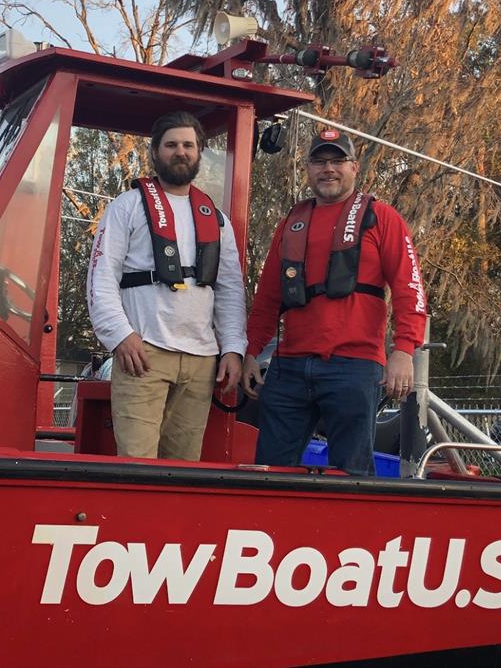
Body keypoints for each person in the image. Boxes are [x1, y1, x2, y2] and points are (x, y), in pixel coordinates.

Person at [242, 129, 427, 476]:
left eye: (337, 161)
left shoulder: (382, 217)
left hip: (354, 367)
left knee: (353, 473)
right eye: (319, 161)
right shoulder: (290, 224)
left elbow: (410, 289)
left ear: (354, 167)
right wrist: (251, 352)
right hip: (290, 368)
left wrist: (403, 350)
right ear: (308, 169)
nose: (328, 169)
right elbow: (267, 298)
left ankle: (354, 531)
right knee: (268, 472)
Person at [87, 111, 247, 461]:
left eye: (188, 145)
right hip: (144, 353)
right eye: (171, 144)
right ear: (155, 152)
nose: (181, 152)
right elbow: (101, 276)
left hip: (201, 359)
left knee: (184, 468)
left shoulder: (216, 219)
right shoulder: (126, 207)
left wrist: (233, 348)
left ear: (199, 152)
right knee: (137, 462)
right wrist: (119, 335)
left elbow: (231, 289)